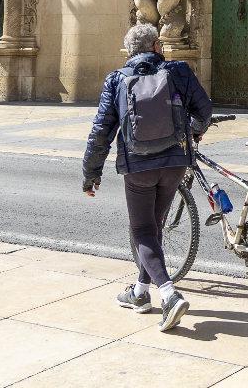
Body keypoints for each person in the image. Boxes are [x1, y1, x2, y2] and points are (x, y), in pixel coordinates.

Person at [82, 22, 212, 330]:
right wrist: (193, 131)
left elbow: (101, 131)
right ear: (156, 46)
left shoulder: (117, 79)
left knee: (142, 230)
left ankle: (168, 295)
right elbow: (204, 110)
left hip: (138, 166)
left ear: (129, 52)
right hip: (174, 163)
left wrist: (91, 173)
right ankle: (140, 292)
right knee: (154, 228)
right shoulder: (179, 71)